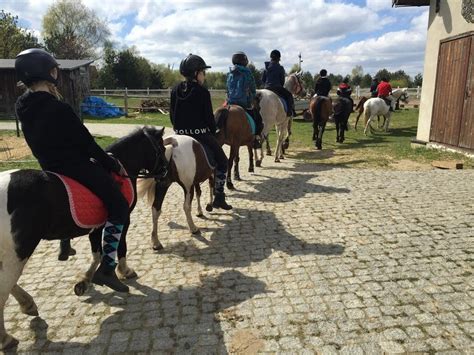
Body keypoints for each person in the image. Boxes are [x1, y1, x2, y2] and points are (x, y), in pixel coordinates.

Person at [14, 48, 130, 292]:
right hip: (74, 167)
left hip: (48, 167)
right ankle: (108, 268)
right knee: (119, 206)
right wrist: (111, 163)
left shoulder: (21, 106)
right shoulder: (59, 108)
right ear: (48, 73)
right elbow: (86, 144)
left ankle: (65, 242)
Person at [170, 54, 232, 210]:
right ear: (196, 73)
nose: (204, 75)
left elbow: (172, 115)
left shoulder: (175, 90)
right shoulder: (203, 92)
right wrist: (214, 130)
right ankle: (219, 196)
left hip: (179, 134)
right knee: (223, 161)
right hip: (200, 135)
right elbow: (208, 118)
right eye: (203, 72)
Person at [226, 51, 263, 148]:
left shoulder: (229, 73)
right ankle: (256, 138)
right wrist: (253, 97)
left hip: (230, 102)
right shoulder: (247, 72)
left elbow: (227, 88)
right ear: (244, 61)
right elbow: (252, 88)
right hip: (244, 103)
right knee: (257, 118)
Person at [261, 49, 296, 117]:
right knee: (289, 95)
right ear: (279, 58)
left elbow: (263, 80)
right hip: (277, 87)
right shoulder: (280, 68)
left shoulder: (266, 67)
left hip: (266, 88)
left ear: (271, 57)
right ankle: (290, 111)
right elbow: (282, 81)